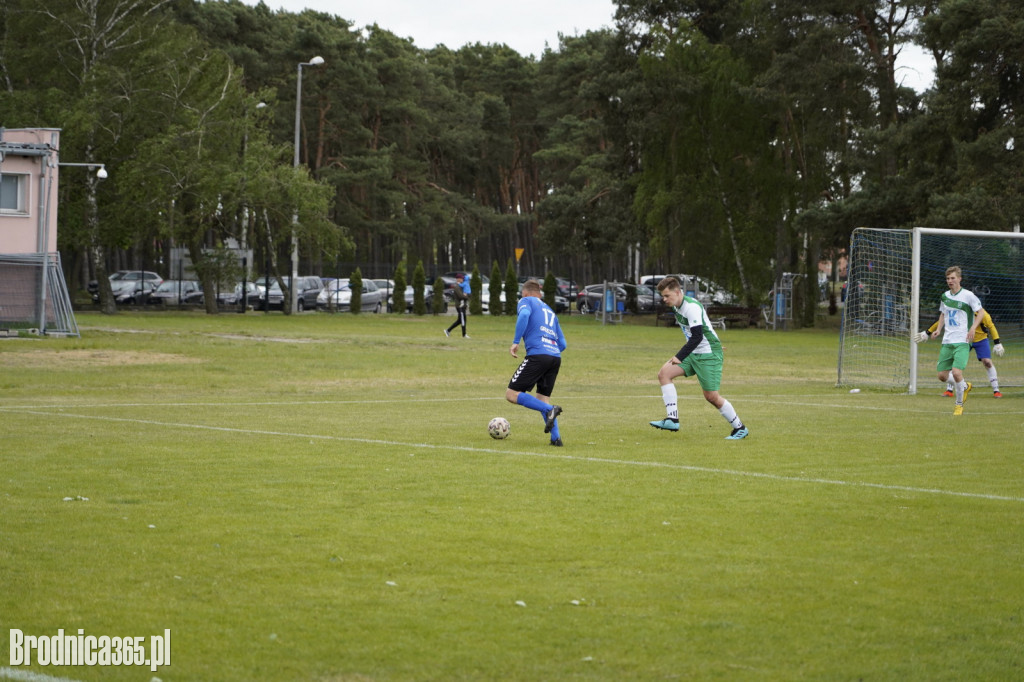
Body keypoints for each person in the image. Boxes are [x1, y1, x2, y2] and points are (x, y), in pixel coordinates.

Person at [650, 276, 748, 439]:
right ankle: (672, 419)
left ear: (677, 292)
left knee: (711, 397)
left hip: (708, 355)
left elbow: (697, 336)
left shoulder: (691, 307)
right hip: (694, 352)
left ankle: (739, 428)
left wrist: (680, 356)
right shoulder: (676, 306)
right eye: (663, 296)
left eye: (667, 295)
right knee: (664, 374)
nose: (664, 299)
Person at [915, 266, 986, 416]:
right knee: (942, 375)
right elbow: (943, 314)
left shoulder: (968, 295)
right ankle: (964, 386)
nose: (950, 281)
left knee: (956, 372)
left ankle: (958, 405)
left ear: (959, 279)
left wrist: (973, 328)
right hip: (947, 340)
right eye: (948, 278)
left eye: (953, 278)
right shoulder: (945, 296)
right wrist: (938, 329)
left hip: (963, 340)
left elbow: (981, 313)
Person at [506, 279, 567, 446]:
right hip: (555, 357)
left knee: (511, 394)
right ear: (539, 294)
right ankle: (556, 439)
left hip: (538, 355)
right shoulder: (550, 311)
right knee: (542, 398)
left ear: (525, 293)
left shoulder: (526, 301)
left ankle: (550, 410)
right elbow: (563, 343)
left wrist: (516, 341)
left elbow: (524, 315)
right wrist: (549, 352)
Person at [920, 309, 1005, 398]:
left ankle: (996, 390)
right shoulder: (960, 311)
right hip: (964, 340)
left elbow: (991, 326)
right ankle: (949, 390)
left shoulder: (982, 314)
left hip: (981, 340)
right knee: (953, 364)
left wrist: (997, 343)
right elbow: (944, 319)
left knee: (987, 362)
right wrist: (927, 332)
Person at [444, 274, 470, 339]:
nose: (462, 279)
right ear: (458, 279)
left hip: (463, 305)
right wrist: (466, 296)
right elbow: (461, 296)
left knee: (460, 320)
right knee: (463, 320)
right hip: (459, 306)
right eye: (461, 278)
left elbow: (467, 293)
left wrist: (467, 295)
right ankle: (464, 335)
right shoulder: (457, 287)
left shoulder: (462, 286)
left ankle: (448, 330)